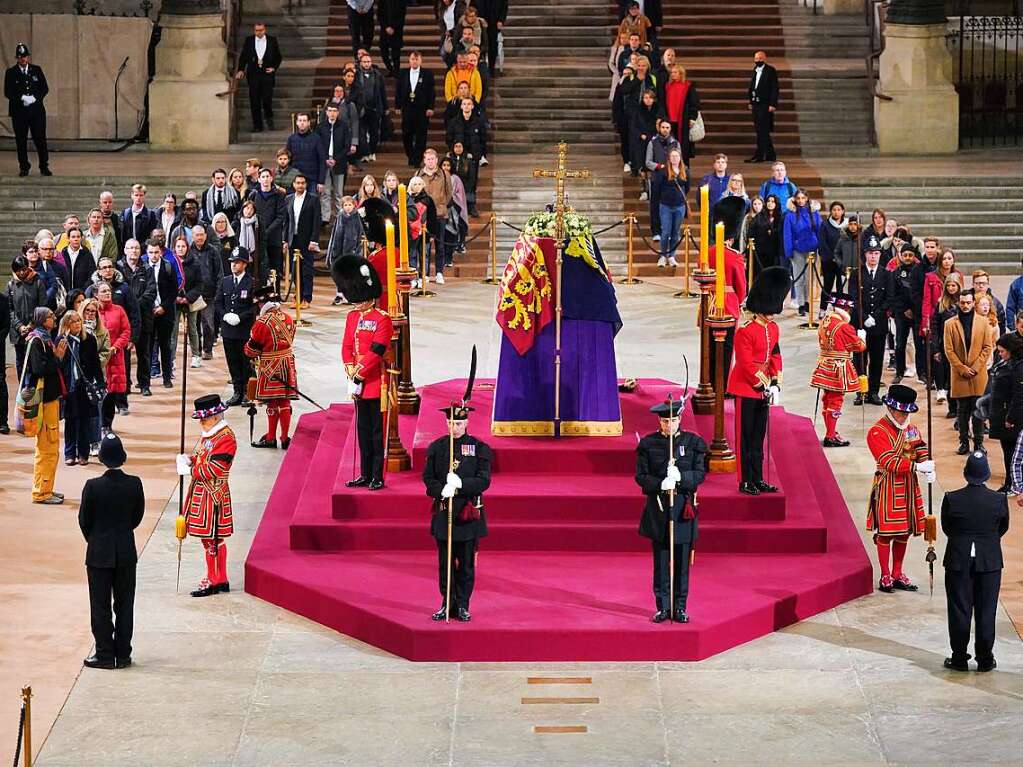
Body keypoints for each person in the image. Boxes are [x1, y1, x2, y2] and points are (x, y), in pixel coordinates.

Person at [636, 398, 707, 623]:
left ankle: (680, 607)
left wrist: (681, 478)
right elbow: (641, 477)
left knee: (682, 565)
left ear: (680, 420)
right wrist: (660, 483)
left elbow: (700, 474)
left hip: (682, 511)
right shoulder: (648, 444)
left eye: (673, 420)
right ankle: (663, 607)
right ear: (660, 421)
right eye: (665, 421)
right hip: (659, 510)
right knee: (661, 564)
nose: (669, 425)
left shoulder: (693, 442)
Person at [78, 433, 143, 670]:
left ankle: (105, 653)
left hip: (99, 553)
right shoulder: (135, 483)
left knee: (100, 605)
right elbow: (137, 517)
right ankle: (123, 653)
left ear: (103, 458)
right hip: (126, 551)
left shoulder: (93, 487)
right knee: (125, 604)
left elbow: (84, 519)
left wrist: (95, 539)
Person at [423, 403, 492, 621]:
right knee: (445, 564)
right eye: (451, 423)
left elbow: (484, 480)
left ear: (467, 423)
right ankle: (446, 602)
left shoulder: (479, 448)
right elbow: (428, 479)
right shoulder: (438, 447)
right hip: (445, 512)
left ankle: (462, 604)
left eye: (459, 423)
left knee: (466, 564)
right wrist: (441, 490)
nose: (455, 428)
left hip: (467, 515)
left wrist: (460, 484)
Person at [941, 450, 1009, 672]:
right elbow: (1002, 527)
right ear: (987, 474)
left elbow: (947, 527)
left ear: (966, 473)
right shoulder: (998, 500)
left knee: (959, 608)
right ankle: (985, 658)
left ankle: (959, 657)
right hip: (989, 561)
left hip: (958, 559)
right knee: (986, 610)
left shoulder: (952, 498)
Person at [866, 383, 933, 593]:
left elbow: (920, 447)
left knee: (904, 532)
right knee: (886, 533)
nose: (904, 416)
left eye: (906, 412)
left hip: (908, 486)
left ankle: (897, 572)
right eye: (900, 412)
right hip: (888, 486)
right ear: (891, 409)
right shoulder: (877, 432)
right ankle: (885, 574)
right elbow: (889, 462)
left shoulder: (912, 429)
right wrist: (918, 466)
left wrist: (928, 463)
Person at [727, 266, 788, 495]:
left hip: (763, 389)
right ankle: (745, 480)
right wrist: (763, 384)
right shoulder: (745, 331)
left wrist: (776, 382)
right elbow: (745, 364)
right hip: (746, 388)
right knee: (745, 438)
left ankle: (758, 477)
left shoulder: (773, 328)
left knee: (758, 438)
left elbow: (775, 355)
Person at [336, 257, 392, 490]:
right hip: (357, 382)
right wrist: (349, 368)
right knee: (362, 431)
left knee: (376, 433)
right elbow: (347, 345)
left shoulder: (382, 319)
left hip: (375, 381)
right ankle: (365, 473)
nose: (356, 304)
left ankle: (377, 475)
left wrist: (359, 372)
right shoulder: (352, 317)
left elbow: (377, 350)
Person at [176, 395, 237, 598]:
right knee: (210, 539)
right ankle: (219, 578)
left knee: (213, 539)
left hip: (214, 493)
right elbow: (204, 456)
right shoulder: (211, 434)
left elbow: (216, 468)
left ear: (216, 417)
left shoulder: (226, 437)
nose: (201, 422)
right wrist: (191, 459)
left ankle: (215, 578)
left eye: (205, 418)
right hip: (203, 492)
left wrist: (191, 470)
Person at [244, 284, 298, 449]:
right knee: (285, 402)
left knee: (272, 403)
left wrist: (247, 348)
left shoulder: (262, 323)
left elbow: (251, 351)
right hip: (288, 364)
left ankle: (271, 437)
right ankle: (284, 437)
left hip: (270, 366)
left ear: (262, 304)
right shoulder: (289, 318)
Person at [811, 295, 867, 447]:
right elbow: (858, 347)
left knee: (827, 399)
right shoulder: (843, 326)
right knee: (836, 400)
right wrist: (861, 338)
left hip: (824, 364)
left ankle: (831, 430)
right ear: (846, 308)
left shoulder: (824, 321)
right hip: (838, 367)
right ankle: (830, 435)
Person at [26, 307, 67, 504]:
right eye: (51, 316)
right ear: (42, 319)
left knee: (52, 446)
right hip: (43, 401)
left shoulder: (45, 339)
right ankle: (41, 492)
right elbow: (39, 369)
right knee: (46, 448)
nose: (54, 318)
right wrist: (57, 358)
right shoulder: (37, 341)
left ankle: (47, 487)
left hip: (51, 399)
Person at [944, 290, 993, 455]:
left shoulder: (983, 322)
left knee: (979, 410)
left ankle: (978, 443)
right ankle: (963, 442)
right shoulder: (950, 324)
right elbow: (949, 350)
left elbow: (987, 347)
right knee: (962, 411)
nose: (965, 305)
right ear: (958, 302)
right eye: (962, 302)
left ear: (973, 303)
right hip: (959, 374)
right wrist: (962, 368)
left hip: (978, 373)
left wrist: (976, 367)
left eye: (968, 302)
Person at [707, 197, 749, 380]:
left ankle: (708, 380)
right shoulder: (735, 256)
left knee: (708, 345)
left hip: (708, 303)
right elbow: (741, 287)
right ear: (732, 236)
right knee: (726, 347)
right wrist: (738, 301)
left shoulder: (708, 252)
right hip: (728, 305)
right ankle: (722, 385)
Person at [849, 237, 890, 406]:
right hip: (860, 324)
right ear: (865, 254)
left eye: (876, 253)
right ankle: (861, 391)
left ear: (880, 255)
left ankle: (873, 391)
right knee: (860, 359)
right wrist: (864, 317)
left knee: (877, 359)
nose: (873, 257)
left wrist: (876, 316)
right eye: (870, 253)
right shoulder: (856, 274)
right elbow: (853, 298)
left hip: (878, 325)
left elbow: (889, 298)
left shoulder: (886, 274)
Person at [216, 249, 256, 407]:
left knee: (245, 362)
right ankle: (237, 391)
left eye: (237, 262)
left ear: (245, 264)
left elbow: (254, 307)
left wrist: (241, 317)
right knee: (232, 361)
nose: (233, 265)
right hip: (228, 330)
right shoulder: (225, 281)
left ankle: (247, 391)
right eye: (232, 262)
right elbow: (218, 302)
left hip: (243, 330)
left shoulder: (251, 282)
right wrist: (225, 315)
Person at [4, 42, 50, 177]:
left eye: (24, 56)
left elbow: (44, 88)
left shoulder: (37, 70)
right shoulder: (11, 72)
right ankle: (24, 167)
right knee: (21, 140)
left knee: (40, 139)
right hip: (19, 112)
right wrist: (21, 97)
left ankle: (44, 166)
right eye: (20, 57)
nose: (23, 59)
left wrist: (35, 97)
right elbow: (8, 92)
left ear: (28, 57)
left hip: (36, 112)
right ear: (16, 58)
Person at [117, 240, 156, 397]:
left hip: (144, 317)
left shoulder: (147, 269)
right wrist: (128, 306)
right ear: (125, 250)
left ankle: (145, 384)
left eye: (136, 248)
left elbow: (152, 291)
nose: (133, 251)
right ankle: (125, 385)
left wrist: (134, 304)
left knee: (144, 352)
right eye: (130, 248)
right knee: (124, 354)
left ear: (141, 251)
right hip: (123, 318)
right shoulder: (117, 268)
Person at [987, 333, 1023, 492]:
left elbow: (1019, 394)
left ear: (1011, 350)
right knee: (1007, 450)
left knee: (1012, 452)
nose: (999, 354)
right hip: (1001, 412)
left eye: (1002, 351)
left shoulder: (1019, 367)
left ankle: (1012, 483)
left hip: (1012, 418)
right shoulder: (1005, 363)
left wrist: (1010, 417)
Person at [96, 282, 131, 434]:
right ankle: (96, 425)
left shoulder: (119, 310)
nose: (107, 293)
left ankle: (107, 425)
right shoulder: (93, 311)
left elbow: (126, 331)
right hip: (97, 358)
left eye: (108, 290)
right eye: (103, 291)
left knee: (111, 392)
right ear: (96, 294)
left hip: (115, 357)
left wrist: (115, 347)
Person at [235, 22, 282, 132]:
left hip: (267, 74)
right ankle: (257, 125)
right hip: (253, 75)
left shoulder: (272, 40)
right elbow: (243, 57)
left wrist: (274, 68)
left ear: (264, 30)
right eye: (257, 30)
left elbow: (278, 57)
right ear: (254, 30)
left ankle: (269, 117)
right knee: (254, 100)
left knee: (267, 98)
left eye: (261, 30)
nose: (259, 32)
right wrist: (241, 70)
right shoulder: (249, 40)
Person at [144, 239, 178, 389]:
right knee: (148, 347)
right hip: (149, 312)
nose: (154, 255)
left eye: (156, 252)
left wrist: (163, 306)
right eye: (151, 252)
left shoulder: (168, 266)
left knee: (165, 346)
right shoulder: (143, 267)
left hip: (165, 312)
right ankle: (146, 379)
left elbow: (173, 290)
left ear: (161, 252)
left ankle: (166, 377)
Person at [285, 174, 322, 308]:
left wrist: (314, 240)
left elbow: (317, 221)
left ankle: (307, 298)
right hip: (292, 239)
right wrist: (285, 240)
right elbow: (287, 221)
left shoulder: (313, 199)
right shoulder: (288, 199)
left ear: (305, 184)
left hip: (307, 240)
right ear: (294, 184)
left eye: (302, 183)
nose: (300, 185)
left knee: (307, 270)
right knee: (295, 270)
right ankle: (298, 297)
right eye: (298, 183)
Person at [8, 255, 48, 376]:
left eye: (24, 269)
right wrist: (19, 326)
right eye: (18, 270)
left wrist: (31, 325)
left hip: (35, 331)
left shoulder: (38, 283)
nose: (22, 272)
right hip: (18, 333)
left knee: (34, 363)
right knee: (21, 363)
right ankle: (22, 391)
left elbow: (42, 307)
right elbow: (10, 309)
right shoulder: (11, 285)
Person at [782, 189, 820, 318]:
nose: (801, 201)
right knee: (799, 277)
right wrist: (789, 251)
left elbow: (819, 229)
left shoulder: (813, 213)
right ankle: (801, 303)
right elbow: (787, 234)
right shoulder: (790, 215)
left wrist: (819, 245)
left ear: (807, 199)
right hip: (797, 250)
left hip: (812, 249)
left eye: (803, 198)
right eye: (798, 198)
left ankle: (808, 301)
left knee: (810, 277)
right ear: (794, 200)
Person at [416, 149, 452, 284]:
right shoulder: (419, 174)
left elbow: (449, 193)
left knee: (440, 244)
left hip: (439, 213)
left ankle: (439, 272)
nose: (430, 161)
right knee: (424, 246)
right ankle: (424, 274)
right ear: (424, 160)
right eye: (428, 159)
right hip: (424, 215)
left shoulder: (444, 174)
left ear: (437, 160)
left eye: (433, 159)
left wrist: (441, 205)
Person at [317, 103, 355, 225]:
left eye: (335, 111)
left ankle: (340, 216)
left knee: (339, 192)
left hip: (339, 163)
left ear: (338, 112)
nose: (332, 113)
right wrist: (325, 159)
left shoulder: (344, 126)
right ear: (326, 112)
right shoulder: (320, 127)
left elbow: (347, 146)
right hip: (324, 163)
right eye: (330, 110)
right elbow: (318, 146)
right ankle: (325, 217)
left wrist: (336, 159)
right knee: (325, 192)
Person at [396, 51, 436, 168]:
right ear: (409, 60)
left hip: (422, 110)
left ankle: (417, 159)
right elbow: (398, 91)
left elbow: (431, 92)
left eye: (417, 59)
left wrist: (430, 107)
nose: (414, 61)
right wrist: (398, 106)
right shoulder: (403, 73)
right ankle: (411, 155)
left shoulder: (427, 74)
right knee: (406, 134)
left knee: (421, 135)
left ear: (420, 61)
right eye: (412, 59)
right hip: (407, 109)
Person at [248, 168, 287, 285]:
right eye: (262, 177)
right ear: (259, 179)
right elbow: (250, 213)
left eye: (267, 176)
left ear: (271, 178)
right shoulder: (254, 195)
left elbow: (280, 216)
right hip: (257, 237)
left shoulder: (279, 195)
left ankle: (276, 294)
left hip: (274, 237)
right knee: (259, 266)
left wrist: (267, 230)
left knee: (275, 267)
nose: (265, 179)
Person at [327, 195, 367, 304]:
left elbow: (360, 232)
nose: (348, 207)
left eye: (350, 205)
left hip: (352, 250)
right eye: (345, 205)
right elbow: (336, 233)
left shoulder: (356, 216)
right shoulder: (340, 216)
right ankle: (340, 294)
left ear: (354, 205)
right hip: (339, 250)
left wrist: (356, 249)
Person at [889, 244, 919, 385]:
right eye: (905, 255)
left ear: (914, 256)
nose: (907, 258)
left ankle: (922, 372)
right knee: (900, 344)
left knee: (920, 345)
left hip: (917, 314)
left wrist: (914, 309)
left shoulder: (920, 272)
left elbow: (920, 294)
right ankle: (900, 371)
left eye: (910, 255)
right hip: (902, 314)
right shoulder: (895, 273)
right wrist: (904, 309)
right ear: (900, 255)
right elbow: (893, 295)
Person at [747, 50, 778, 163]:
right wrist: (751, 100)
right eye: (756, 59)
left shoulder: (770, 71)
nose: (758, 61)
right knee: (760, 130)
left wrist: (772, 104)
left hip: (765, 105)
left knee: (762, 130)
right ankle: (770, 154)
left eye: (760, 58)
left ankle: (760, 155)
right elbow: (753, 86)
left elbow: (775, 88)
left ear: (764, 59)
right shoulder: (755, 70)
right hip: (756, 104)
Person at [355, 53, 387, 161]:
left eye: (368, 61)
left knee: (374, 132)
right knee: (361, 133)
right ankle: (365, 153)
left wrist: (385, 107)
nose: (367, 64)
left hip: (374, 108)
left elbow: (382, 92)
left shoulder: (377, 75)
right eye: (364, 62)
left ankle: (372, 151)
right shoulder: (356, 75)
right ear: (360, 63)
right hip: (362, 108)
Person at [817, 201, 846, 311]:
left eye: (839, 210)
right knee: (827, 285)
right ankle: (822, 309)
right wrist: (832, 257)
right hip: (829, 261)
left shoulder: (847, 225)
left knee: (841, 287)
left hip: (842, 262)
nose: (836, 212)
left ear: (843, 211)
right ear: (831, 211)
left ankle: (838, 309)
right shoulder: (825, 225)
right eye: (834, 210)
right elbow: (822, 242)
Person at [286, 113, 326, 192]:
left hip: (312, 178)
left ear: (308, 122)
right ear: (297, 122)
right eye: (300, 120)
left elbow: (321, 160)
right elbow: (288, 159)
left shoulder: (316, 138)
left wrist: (321, 181)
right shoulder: (292, 139)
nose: (302, 123)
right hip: (295, 178)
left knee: (311, 203)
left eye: (304, 120)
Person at [748, 194, 782, 274]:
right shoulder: (759, 217)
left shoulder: (780, 217)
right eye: (768, 201)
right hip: (761, 253)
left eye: (773, 201)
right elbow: (751, 233)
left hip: (776, 252)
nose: (770, 203)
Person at [971, 270, 1006, 336]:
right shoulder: (967, 301)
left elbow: (1002, 326)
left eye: (984, 283)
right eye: (978, 283)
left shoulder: (996, 303)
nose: (981, 286)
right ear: (973, 284)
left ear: (988, 285)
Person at [378, 0, 407, 75]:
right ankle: (390, 69)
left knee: (396, 53)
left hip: (396, 30)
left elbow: (402, 15)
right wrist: (386, 27)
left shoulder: (401, 1)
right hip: (384, 30)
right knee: (383, 52)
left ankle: (396, 71)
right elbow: (379, 14)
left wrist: (393, 27)